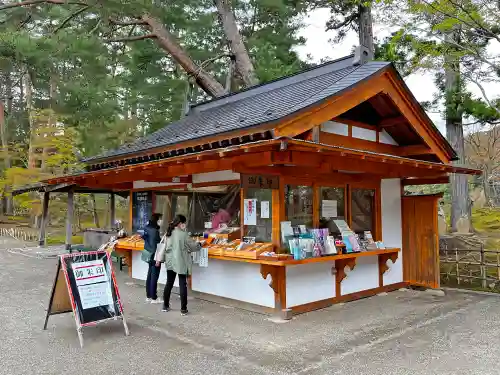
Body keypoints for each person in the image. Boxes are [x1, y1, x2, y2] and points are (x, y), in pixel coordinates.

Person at [160, 214, 201, 315]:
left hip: (170, 261)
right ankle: (183, 309)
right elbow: (192, 246)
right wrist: (199, 245)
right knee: (182, 284)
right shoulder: (183, 234)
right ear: (180, 223)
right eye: (183, 223)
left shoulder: (168, 233)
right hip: (181, 261)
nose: (185, 225)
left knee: (169, 283)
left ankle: (165, 306)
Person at [141, 213, 163, 304]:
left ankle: (148, 296)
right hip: (154, 255)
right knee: (154, 277)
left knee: (149, 275)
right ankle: (154, 297)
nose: (161, 221)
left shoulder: (147, 228)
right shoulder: (155, 231)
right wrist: (158, 259)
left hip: (148, 254)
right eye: (160, 219)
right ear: (156, 220)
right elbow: (156, 246)